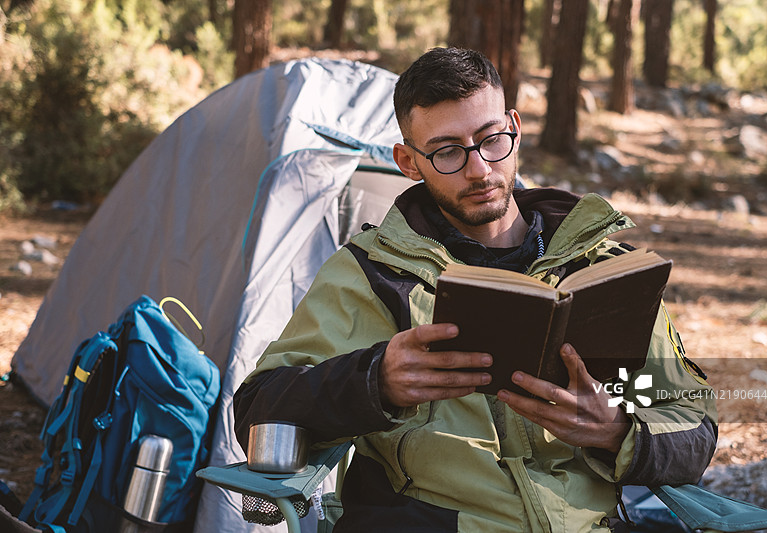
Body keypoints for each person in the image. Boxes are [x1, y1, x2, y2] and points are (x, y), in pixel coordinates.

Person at [233, 47, 717, 533]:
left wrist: (617, 432)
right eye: (447, 152)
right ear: (408, 160)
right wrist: (375, 380)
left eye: (491, 140)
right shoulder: (370, 274)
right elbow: (257, 408)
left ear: (515, 127)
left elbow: (694, 425)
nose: (480, 169)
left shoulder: (601, 269)